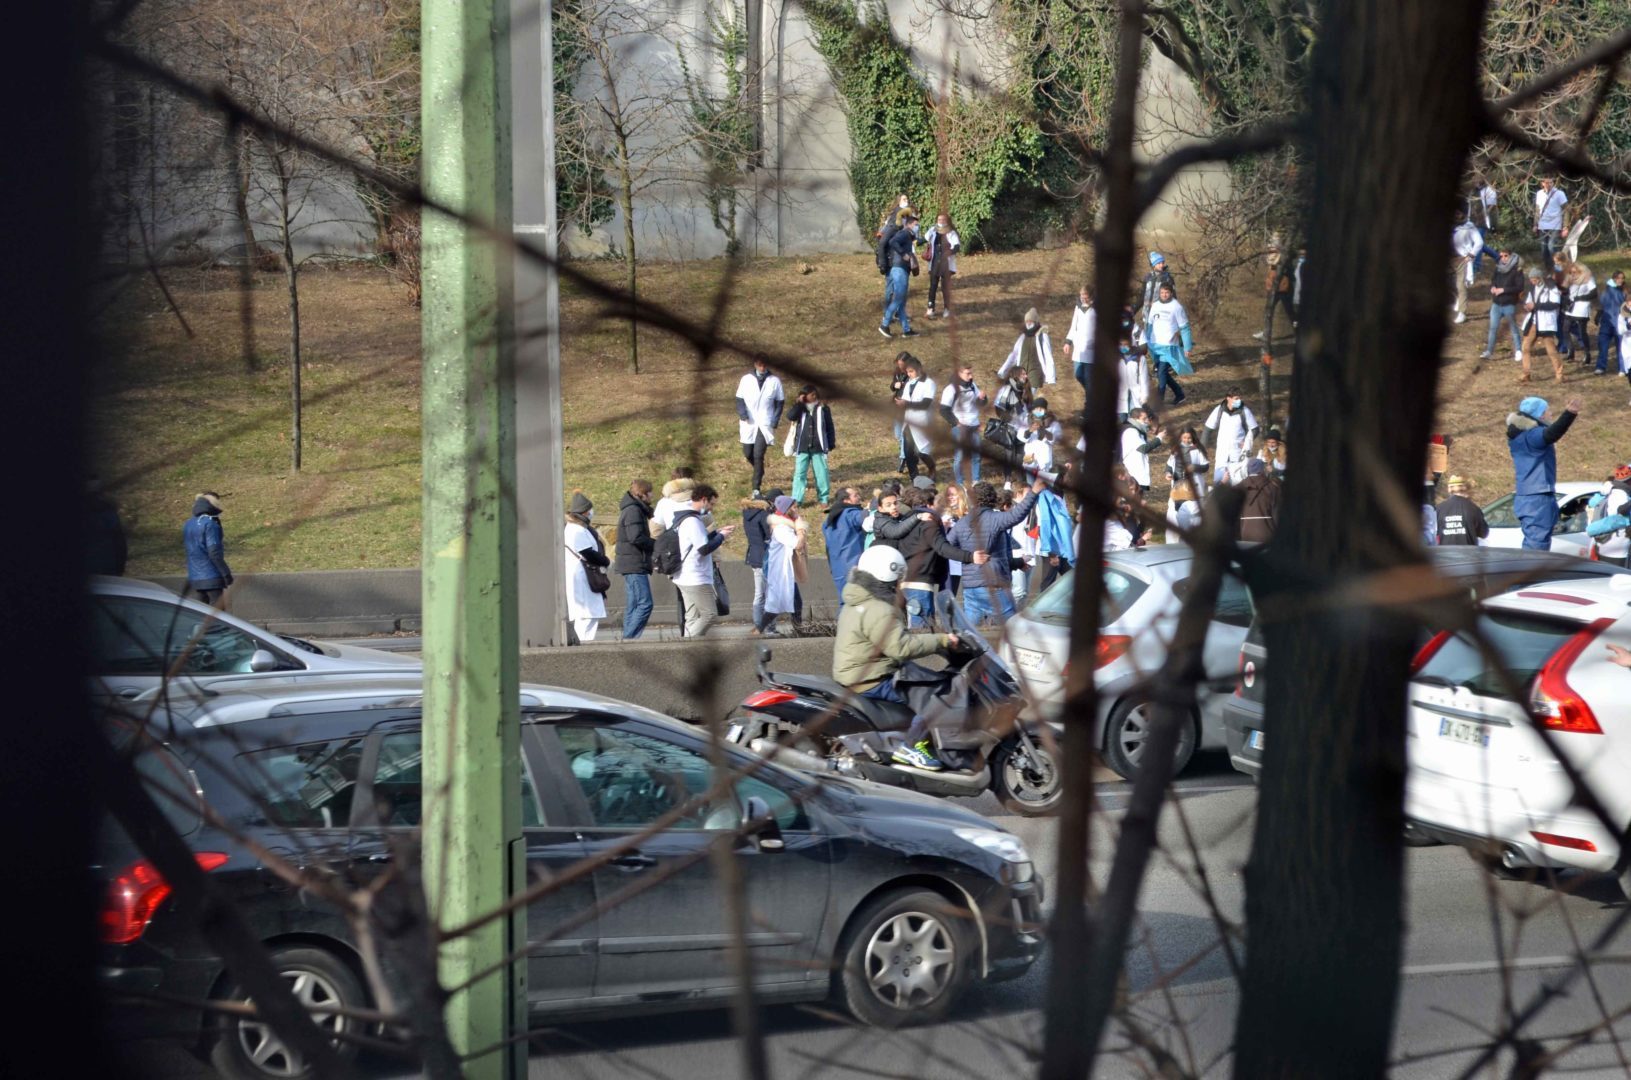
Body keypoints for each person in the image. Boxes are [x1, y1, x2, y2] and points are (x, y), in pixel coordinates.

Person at [831, 544, 962, 771]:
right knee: (937, 696)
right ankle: (910, 748)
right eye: (898, 579)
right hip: (872, 679)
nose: (900, 585)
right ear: (888, 577)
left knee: (923, 679)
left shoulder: (857, 601)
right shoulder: (879, 609)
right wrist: (942, 640)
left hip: (858, 673)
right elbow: (900, 647)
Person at [873, 481, 986, 630]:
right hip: (919, 583)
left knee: (918, 629)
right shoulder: (926, 523)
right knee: (923, 630)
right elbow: (942, 547)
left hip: (905, 580)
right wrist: (970, 557)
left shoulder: (905, 520)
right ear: (930, 505)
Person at [949, 477, 1045, 625]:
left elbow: (947, 545)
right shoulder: (995, 519)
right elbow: (1017, 514)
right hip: (992, 584)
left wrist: (968, 557)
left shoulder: (962, 523)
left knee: (971, 634)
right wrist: (1034, 492)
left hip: (970, 588)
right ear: (992, 498)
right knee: (1013, 627)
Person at [1506, 395, 1582, 550]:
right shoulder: (1532, 435)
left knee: (1537, 543)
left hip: (1529, 496)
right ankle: (1534, 574)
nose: (1551, 414)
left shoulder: (1519, 436)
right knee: (1537, 547)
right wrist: (1569, 414)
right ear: (1540, 415)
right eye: (1548, 411)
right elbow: (1551, 434)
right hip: (1537, 497)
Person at [673, 484, 735, 637]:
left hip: (685, 575)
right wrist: (722, 537)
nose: (712, 508)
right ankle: (684, 643)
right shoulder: (693, 521)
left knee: (692, 617)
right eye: (711, 504)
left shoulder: (687, 519)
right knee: (710, 615)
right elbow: (703, 549)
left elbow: (699, 542)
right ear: (703, 500)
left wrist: (716, 533)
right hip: (696, 577)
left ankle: (687, 650)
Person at [735, 354, 784, 495]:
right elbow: (739, 399)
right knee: (748, 452)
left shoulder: (774, 381)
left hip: (765, 421)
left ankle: (756, 487)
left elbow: (780, 402)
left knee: (758, 454)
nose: (762, 368)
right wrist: (742, 413)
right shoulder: (746, 379)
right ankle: (759, 469)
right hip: (748, 421)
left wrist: (775, 420)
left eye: (764, 365)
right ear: (755, 364)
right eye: (759, 365)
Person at [563, 491, 609, 644]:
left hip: (582, 575)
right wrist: (604, 560)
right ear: (584, 512)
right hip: (582, 577)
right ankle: (583, 646)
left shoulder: (576, 528)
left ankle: (584, 643)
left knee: (588, 615)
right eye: (590, 510)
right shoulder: (576, 530)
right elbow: (587, 552)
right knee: (586, 616)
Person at [614, 479, 656, 639]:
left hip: (631, 563)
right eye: (650, 492)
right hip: (634, 563)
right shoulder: (633, 510)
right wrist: (656, 544)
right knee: (645, 604)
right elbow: (636, 537)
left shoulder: (633, 509)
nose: (652, 495)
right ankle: (629, 639)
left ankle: (628, 638)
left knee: (633, 605)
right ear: (642, 494)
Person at [762, 495, 808, 635]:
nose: (796, 510)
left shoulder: (786, 524)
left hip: (784, 570)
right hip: (779, 571)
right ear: (786, 509)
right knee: (779, 604)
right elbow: (797, 544)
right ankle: (761, 629)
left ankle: (796, 629)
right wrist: (800, 528)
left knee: (790, 602)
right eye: (793, 507)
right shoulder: (781, 528)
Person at [939, 363, 988, 487]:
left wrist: (982, 399)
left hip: (974, 425)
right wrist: (956, 423)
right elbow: (943, 410)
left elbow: (980, 404)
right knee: (960, 457)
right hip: (960, 427)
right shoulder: (951, 389)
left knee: (976, 455)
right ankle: (959, 482)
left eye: (971, 373)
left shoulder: (972, 385)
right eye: (968, 374)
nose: (971, 376)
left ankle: (976, 480)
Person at [786, 384, 836, 506]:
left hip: (818, 446)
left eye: (815, 394)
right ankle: (797, 499)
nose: (814, 397)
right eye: (811, 395)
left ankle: (823, 498)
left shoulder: (823, 408)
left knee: (821, 473)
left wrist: (831, 442)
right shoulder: (799, 409)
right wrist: (799, 404)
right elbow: (790, 416)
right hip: (802, 447)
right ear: (804, 396)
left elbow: (830, 426)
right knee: (799, 474)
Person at [1145, 282, 1193, 406]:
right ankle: (1179, 394)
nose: (1164, 295)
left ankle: (1159, 401)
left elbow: (1185, 327)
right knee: (1163, 373)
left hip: (1169, 345)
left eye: (1166, 292)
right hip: (1155, 345)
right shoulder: (1155, 305)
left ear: (1171, 293)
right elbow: (1150, 324)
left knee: (1161, 372)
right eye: (1162, 292)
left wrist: (1187, 347)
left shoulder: (1176, 307)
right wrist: (1146, 340)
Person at [183, 491, 233, 605]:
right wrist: (225, 573)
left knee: (200, 613)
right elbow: (214, 552)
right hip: (212, 575)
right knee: (218, 614)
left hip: (195, 576)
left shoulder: (188, 524)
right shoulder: (210, 524)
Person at [1203, 388, 1259, 484]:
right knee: (1219, 483)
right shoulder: (1219, 410)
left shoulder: (1244, 411)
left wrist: (1246, 442)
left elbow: (1255, 429)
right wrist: (1202, 449)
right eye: (1236, 398)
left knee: (1237, 484)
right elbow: (1208, 429)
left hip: (1238, 456)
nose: (1239, 401)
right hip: (1222, 456)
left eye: (1240, 398)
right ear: (1228, 398)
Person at [823, 487, 867, 608]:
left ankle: (843, 626)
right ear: (846, 500)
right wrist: (872, 509)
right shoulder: (851, 514)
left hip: (837, 568)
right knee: (859, 603)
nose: (859, 497)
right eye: (855, 495)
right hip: (855, 566)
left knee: (845, 603)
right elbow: (865, 519)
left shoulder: (828, 521)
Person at [894, 355, 937, 479]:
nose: (909, 374)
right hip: (909, 421)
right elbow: (907, 401)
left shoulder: (929, 383)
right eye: (907, 372)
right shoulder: (909, 383)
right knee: (908, 453)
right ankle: (914, 478)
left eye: (911, 371)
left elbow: (926, 404)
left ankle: (932, 468)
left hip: (922, 421)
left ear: (919, 369)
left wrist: (906, 403)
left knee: (922, 451)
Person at [1520, 267, 1565, 384]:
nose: (1532, 282)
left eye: (1534, 279)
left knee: (1551, 350)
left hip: (1546, 323)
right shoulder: (1532, 288)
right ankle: (1526, 373)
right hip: (1534, 322)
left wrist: (1536, 305)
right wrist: (1528, 306)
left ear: (1539, 278)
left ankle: (1559, 374)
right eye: (1531, 280)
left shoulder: (1551, 287)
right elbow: (1529, 301)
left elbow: (1554, 304)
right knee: (1525, 347)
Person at [880, 214, 921, 338]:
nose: (917, 226)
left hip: (901, 270)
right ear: (908, 224)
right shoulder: (904, 233)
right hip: (900, 270)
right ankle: (884, 324)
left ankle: (906, 330)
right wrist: (904, 254)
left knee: (902, 302)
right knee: (898, 299)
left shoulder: (908, 236)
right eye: (915, 224)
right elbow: (893, 241)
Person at [742, 489, 777, 634]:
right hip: (765, 557)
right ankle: (769, 628)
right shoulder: (764, 515)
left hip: (753, 556)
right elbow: (770, 536)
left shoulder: (747, 515)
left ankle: (758, 625)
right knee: (770, 595)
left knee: (759, 594)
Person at [1481, 246, 1525, 362]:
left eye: (1505, 256)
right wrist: (1493, 287)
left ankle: (1519, 350)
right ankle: (1489, 351)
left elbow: (1519, 287)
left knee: (1513, 328)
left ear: (1510, 256)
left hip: (1509, 303)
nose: (1503, 258)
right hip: (1496, 303)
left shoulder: (1517, 270)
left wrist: (1504, 290)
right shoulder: (1498, 268)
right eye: (1501, 256)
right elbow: (1493, 280)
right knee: (1493, 328)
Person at [998, 307, 1058, 386]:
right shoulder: (1022, 337)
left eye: (1030, 321)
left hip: (1035, 373)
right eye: (1027, 321)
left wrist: (1051, 378)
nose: (1028, 323)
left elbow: (1048, 356)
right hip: (1021, 373)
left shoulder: (1042, 336)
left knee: (1029, 395)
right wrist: (1003, 370)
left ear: (1035, 321)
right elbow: (1013, 355)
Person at [1586, 464, 1631, 567]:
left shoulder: (1609, 492)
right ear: (1629, 481)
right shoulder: (1621, 495)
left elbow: (1592, 504)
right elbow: (1617, 518)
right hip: (1617, 550)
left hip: (1605, 546)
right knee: (1619, 579)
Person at [1118, 408, 1164, 495]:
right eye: (1144, 419)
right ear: (1135, 419)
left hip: (1135, 472)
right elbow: (1144, 448)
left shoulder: (1136, 430)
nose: (1147, 421)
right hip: (1133, 473)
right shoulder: (1131, 431)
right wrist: (1159, 438)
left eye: (1147, 418)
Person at [87, 483, 128, 577]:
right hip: (107, 564)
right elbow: (119, 542)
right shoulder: (107, 512)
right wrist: (120, 567)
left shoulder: (106, 513)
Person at [1435, 475, 1487, 547]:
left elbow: (1433, 534)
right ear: (1464, 488)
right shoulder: (1473, 508)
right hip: (1469, 555)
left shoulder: (1438, 509)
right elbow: (1484, 533)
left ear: (1449, 490)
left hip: (1445, 555)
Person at [1237, 459, 1281, 543]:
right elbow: (1277, 514)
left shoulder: (1238, 488)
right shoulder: (1272, 488)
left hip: (1245, 535)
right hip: (1268, 535)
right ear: (1262, 470)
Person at [924, 213, 959, 318]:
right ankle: (930, 308)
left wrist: (949, 252)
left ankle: (947, 309)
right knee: (933, 286)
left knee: (945, 287)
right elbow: (924, 239)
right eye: (939, 219)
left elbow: (957, 246)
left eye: (943, 219)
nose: (941, 221)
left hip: (946, 263)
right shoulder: (933, 230)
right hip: (935, 262)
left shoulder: (951, 232)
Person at [1562, 261, 1596, 362]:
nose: (1573, 274)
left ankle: (1587, 354)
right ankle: (1570, 351)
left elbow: (1594, 293)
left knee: (1582, 332)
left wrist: (1581, 297)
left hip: (1582, 307)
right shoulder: (1571, 280)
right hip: (1571, 308)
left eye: (1575, 272)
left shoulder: (1588, 279)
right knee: (1565, 329)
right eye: (1571, 272)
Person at [1452, 214, 1482, 324]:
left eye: (1459, 213)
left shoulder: (1469, 227)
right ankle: (1457, 300)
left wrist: (1471, 255)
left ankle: (1462, 312)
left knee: (1461, 285)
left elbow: (1479, 242)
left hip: (1461, 259)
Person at [1064, 286, 1095, 391]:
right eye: (1082, 295)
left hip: (1091, 349)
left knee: (1088, 378)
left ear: (1090, 296)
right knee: (1078, 375)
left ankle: (1090, 401)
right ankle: (1092, 393)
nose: (1083, 298)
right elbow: (1073, 326)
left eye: (1085, 296)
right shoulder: (1078, 307)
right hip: (1078, 349)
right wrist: (1068, 342)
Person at [1111, 336, 1149, 422]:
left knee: (1136, 421)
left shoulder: (1139, 358)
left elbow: (1144, 378)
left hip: (1136, 394)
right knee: (1122, 421)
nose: (1123, 347)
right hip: (1120, 395)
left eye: (1125, 345)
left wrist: (1144, 395)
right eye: (1121, 345)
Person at [1534, 176, 1569, 268]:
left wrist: (1565, 226)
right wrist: (1535, 224)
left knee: (1552, 246)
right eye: (1546, 182)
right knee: (1544, 250)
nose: (1548, 184)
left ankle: (1559, 267)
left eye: (1550, 182)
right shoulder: (1539, 194)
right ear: (1542, 183)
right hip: (1542, 225)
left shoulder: (1559, 194)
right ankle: (1549, 269)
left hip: (1555, 225)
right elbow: (1537, 210)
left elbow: (1566, 210)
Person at [1167, 427, 1211, 498]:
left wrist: (1194, 467)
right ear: (1180, 437)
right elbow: (1169, 464)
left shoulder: (1198, 449)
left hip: (1194, 484)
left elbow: (1206, 466)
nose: (1186, 440)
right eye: (1184, 438)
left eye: (1189, 438)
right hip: (1177, 484)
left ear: (1193, 437)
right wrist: (1168, 473)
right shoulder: (1176, 449)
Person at [1596, 270, 1625, 376]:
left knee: (1620, 346)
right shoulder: (1610, 291)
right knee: (1604, 346)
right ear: (1614, 279)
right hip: (1608, 322)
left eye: (1622, 278)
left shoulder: (1621, 291)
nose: (1621, 280)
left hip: (1617, 322)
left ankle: (1621, 368)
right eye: (1618, 278)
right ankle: (1601, 367)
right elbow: (1602, 304)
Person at [1139, 251, 1177, 325]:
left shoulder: (1168, 278)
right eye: (1159, 263)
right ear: (1153, 265)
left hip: (1161, 317)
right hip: (1147, 316)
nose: (1161, 265)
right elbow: (1141, 297)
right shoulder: (1147, 277)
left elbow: (1174, 297)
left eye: (1162, 262)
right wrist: (1132, 311)